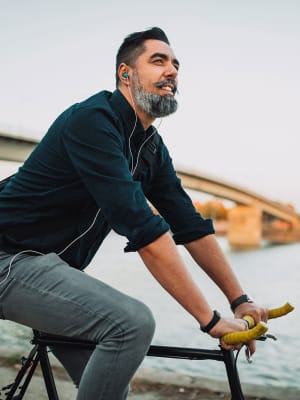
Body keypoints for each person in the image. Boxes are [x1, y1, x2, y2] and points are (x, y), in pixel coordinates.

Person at [0, 27, 267, 400]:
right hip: (9, 260)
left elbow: (188, 225)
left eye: (176, 64)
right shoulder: (93, 120)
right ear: (126, 74)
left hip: (47, 269)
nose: (172, 71)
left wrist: (239, 299)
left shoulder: (151, 147)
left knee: (113, 385)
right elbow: (143, 228)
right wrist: (210, 320)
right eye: (158, 61)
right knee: (131, 323)